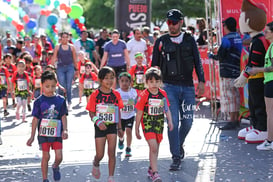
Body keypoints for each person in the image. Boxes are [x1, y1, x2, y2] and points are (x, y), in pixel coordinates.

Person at [152, 9, 205, 171]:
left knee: (188, 121)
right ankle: (175, 156)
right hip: (168, 87)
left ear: (181, 22)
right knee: (172, 122)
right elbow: (154, 65)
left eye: (174, 22)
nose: (171, 26)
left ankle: (178, 144)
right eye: (169, 22)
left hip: (188, 87)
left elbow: (198, 61)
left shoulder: (190, 40)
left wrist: (201, 81)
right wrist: (155, 87)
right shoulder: (161, 41)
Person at [234, 0, 269, 143]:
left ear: (249, 20)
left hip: (259, 78)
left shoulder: (259, 41)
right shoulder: (256, 40)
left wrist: (244, 75)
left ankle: (262, 128)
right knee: (253, 103)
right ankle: (255, 125)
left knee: (259, 103)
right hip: (254, 79)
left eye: (242, 18)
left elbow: (254, 62)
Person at [26, 70, 68, 182]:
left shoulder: (61, 100)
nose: (50, 89)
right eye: (47, 86)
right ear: (42, 85)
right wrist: (32, 136)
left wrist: (65, 130)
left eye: (53, 86)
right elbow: (35, 120)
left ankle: (55, 166)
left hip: (57, 132)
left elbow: (63, 116)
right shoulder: (38, 102)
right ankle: (45, 179)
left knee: (59, 156)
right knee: (46, 156)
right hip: (43, 134)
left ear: (57, 84)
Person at [135, 67, 173, 182]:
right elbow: (139, 111)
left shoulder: (163, 94)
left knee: (156, 148)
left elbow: (167, 109)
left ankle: (152, 168)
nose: (154, 84)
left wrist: (170, 121)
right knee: (153, 146)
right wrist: (136, 128)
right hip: (148, 123)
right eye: (151, 81)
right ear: (146, 82)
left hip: (159, 122)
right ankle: (155, 173)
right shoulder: (144, 95)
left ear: (160, 82)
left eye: (157, 81)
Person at [86, 66, 123, 182]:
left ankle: (111, 176)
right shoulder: (95, 95)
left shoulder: (116, 95)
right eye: (106, 78)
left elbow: (118, 112)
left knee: (112, 152)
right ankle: (96, 162)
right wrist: (98, 121)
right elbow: (91, 113)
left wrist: (120, 127)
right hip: (99, 127)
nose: (109, 81)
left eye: (112, 78)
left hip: (112, 126)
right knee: (100, 154)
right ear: (100, 80)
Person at [208, 17, 242, 130]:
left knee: (229, 97)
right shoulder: (238, 36)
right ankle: (236, 119)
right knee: (235, 95)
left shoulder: (227, 39)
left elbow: (220, 55)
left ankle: (232, 121)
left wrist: (211, 55)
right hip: (237, 70)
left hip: (227, 72)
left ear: (226, 26)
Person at [247, 22, 273, 150]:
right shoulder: (270, 46)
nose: (265, 33)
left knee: (270, 112)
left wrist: (258, 70)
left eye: (267, 31)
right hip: (268, 81)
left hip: (270, 81)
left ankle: (269, 140)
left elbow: (272, 67)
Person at [51, 32, 78, 109]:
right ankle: (61, 101)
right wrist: (51, 67)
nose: (65, 39)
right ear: (61, 38)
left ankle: (69, 101)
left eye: (66, 37)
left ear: (69, 38)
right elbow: (54, 57)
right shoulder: (57, 47)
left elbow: (74, 59)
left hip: (70, 67)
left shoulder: (72, 47)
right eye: (63, 37)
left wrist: (77, 70)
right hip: (60, 67)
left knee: (69, 85)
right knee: (61, 85)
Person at [117, 72, 137, 157]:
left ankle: (128, 148)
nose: (124, 83)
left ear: (130, 82)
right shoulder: (117, 92)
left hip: (130, 115)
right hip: (120, 116)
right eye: (122, 81)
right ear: (119, 82)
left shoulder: (133, 92)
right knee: (121, 132)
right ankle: (121, 139)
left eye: (126, 81)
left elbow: (136, 101)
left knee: (129, 131)